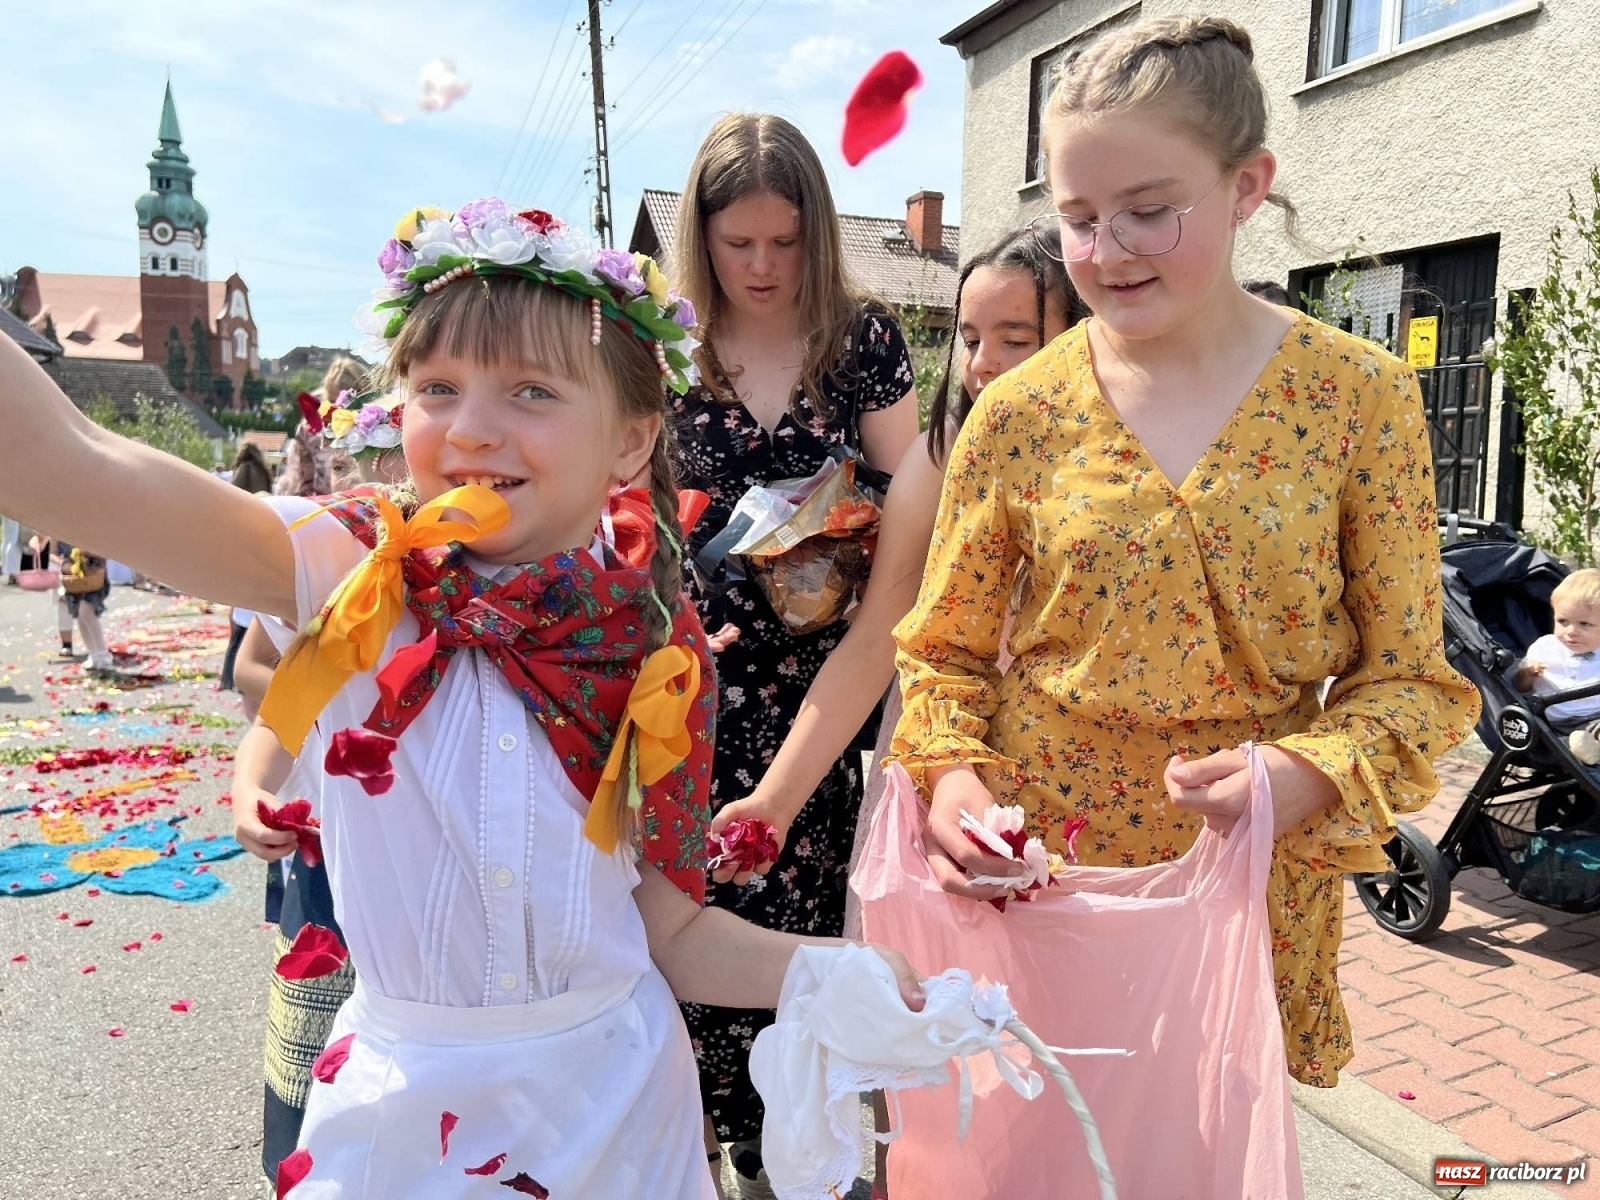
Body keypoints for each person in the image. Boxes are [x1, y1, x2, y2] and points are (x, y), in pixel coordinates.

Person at [0, 196, 920, 1199]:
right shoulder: (350, 573)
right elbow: (69, 465)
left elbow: (670, 932)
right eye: (437, 387)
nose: (472, 431)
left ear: (630, 440)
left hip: (620, 1123)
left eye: (532, 390)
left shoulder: (657, 643)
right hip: (401, 1125)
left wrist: (838, 971)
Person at [886, 11, 1478, 1184]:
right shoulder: (1018, 410)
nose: (1105, 252)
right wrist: (952, 783)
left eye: (1148, 210)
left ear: (1247, 185)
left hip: (1238, 889)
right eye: (1077, 218)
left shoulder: (1358, 398)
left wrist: (1304, 773)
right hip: (1041, 880)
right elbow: (942, 651)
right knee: (1036, 1155)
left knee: (1198, 1159)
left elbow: (1412, 682)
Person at [720, 223, 1087, 1199]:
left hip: (1081, 802)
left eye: (1015, 337)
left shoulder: (1131, 456)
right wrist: (774, 802)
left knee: (1063, 1073)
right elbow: (875, 641)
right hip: (936, 784)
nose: (982, 362)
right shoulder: (940, 455)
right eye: (969, 337)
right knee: (929, 1076)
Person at [667, 112, 920, 1193]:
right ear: (701, 237)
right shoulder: (661, 343)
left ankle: (784, 1165)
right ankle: (699, 1154)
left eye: (785, 241)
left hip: (818, 706)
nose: (763, 267)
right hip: (681, 703)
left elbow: (912, 518)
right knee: (680, 952)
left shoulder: (860, 341)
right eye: (738, 244)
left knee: (799, 964)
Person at [1513, 567, 1600, 762]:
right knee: (1573, 741)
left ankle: (1592, 750)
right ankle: (1585, 748)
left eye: (1584, 624)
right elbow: (1520, 687)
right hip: (1559, 722)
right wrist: (1527, 674)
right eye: (1562, 621)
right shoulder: (1545, 648)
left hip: (1597, 717)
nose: (1571, 631)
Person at [51, 537, 114, 672]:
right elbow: (52, 552)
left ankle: (102, 652)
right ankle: (93, 654)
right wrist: (64, 564)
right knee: (79, 614)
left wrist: (86, 553)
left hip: (93, 570)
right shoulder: (57, 532)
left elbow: (104, 548)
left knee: (86, 610)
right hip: (72, 576)